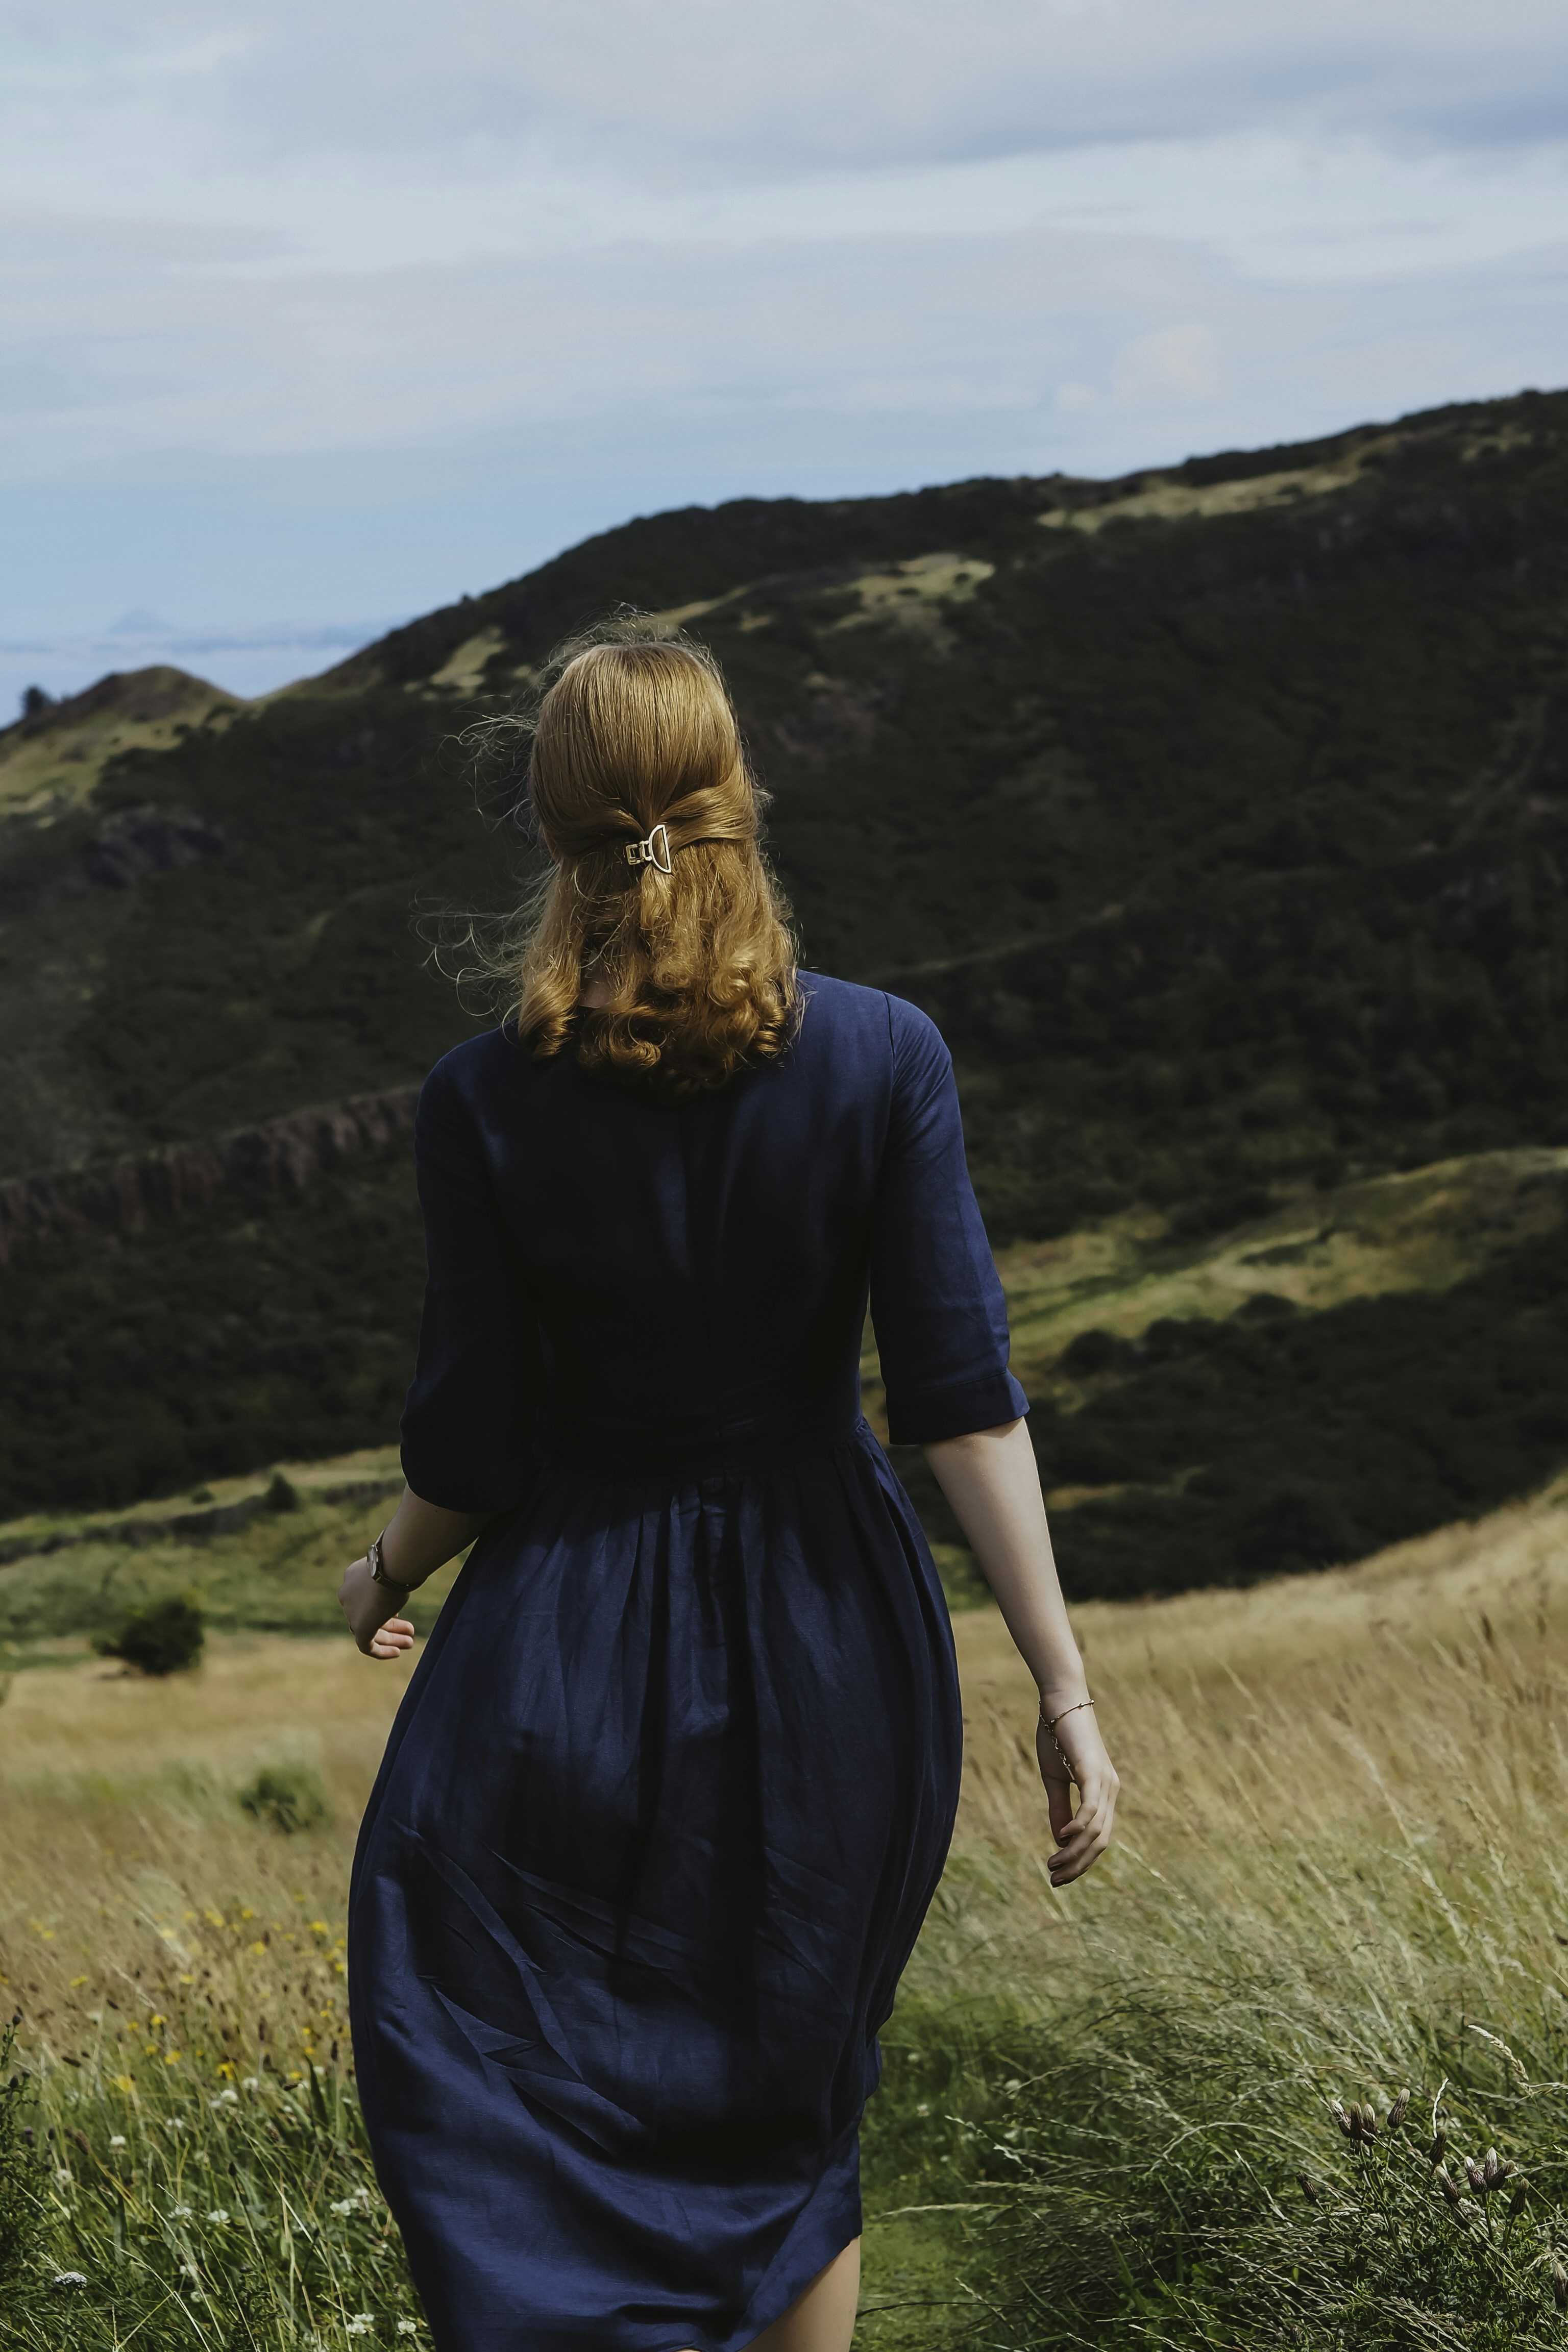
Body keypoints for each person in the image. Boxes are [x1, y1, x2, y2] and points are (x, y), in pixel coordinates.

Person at [339, 630, 1118, 2352]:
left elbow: (472, 1449)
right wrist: (1063, 1686)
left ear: (555, 835)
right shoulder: (887, 1056)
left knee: (493, 2058)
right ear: (735, 802)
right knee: (788, 2092)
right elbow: (961, 1403)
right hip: (834, 1636)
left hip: (559, 1649)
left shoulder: (481, 1103)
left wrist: (384, 1573)